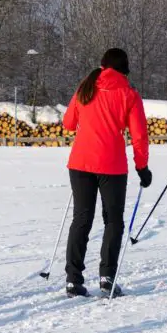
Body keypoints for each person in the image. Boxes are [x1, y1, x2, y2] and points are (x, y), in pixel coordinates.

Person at [61, 48, 153, 298]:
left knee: (82, 218)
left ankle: (73, 279)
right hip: (112, 166)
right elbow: (139, 135)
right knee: (113, 220)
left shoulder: (86, 87)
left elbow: (68, 123)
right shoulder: (129, 95)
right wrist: (142, 166)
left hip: (80, 163)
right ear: (124, 70)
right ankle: (107, 277)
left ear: (103, 67)